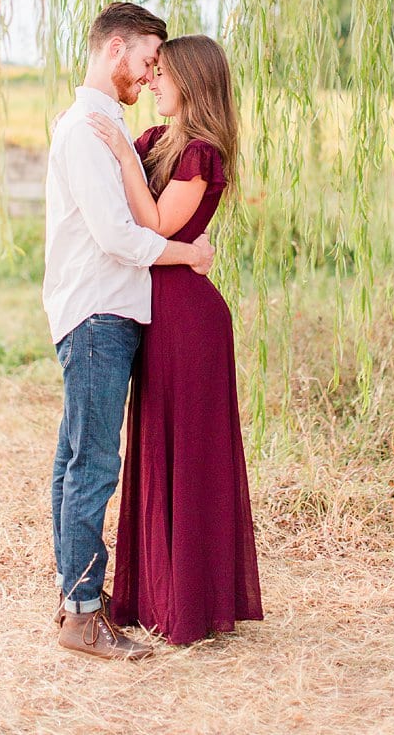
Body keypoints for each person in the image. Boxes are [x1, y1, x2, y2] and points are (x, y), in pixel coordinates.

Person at [43, 1, 216, 661]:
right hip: (96, 312)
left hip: (98, 310)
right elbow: (119, 234)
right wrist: (187, 254)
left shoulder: (102, 125)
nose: (150, 76)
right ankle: (84, 616)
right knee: (91, 463)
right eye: (146, 61)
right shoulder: (87, 130)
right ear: (115, 50)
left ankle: (74, 600)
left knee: (74, 458)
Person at [89, 33, 263, 645]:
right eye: (152, 71)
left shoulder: (201, 154)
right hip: (154, 309)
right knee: (155, 444)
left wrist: (119, 148)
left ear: (189, 82)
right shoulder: (156, 143)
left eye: (161, 74)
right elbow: (116, 191)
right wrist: (105, 136)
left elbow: (158, 223)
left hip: (188, 319)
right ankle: (156, 591)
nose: (153, 83)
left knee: (186, 452)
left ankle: (190, 601)